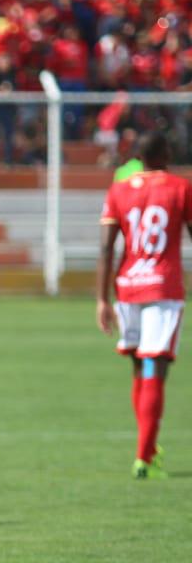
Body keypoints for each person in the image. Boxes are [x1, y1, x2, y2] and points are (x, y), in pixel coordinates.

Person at [96, 133, 192, 479]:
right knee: (155, 370)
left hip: (127, 288)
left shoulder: (118, 189)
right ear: (165, 153)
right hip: (162, 288)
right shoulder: (181, 187)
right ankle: (145, 457)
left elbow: (106, 248)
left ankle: (148, 448)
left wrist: (101, 299)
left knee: (139, 369)